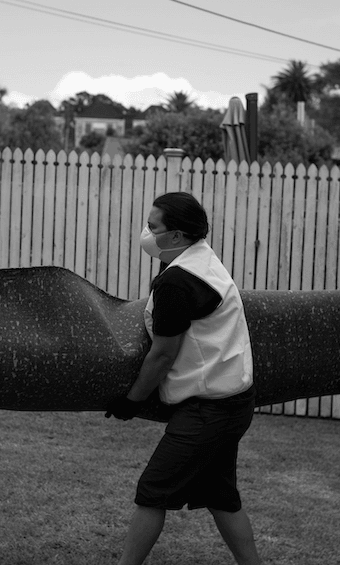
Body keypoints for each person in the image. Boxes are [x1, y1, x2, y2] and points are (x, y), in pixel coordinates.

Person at [105, 192, 261, 565]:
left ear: (175, 236)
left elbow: (163, 353)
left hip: (209, 409)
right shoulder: (204, 260)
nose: (146, 232)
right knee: (221, 496)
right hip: (232, 402)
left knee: (153, 491)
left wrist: (132, 399)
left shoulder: (177, 282)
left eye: (153, 226)